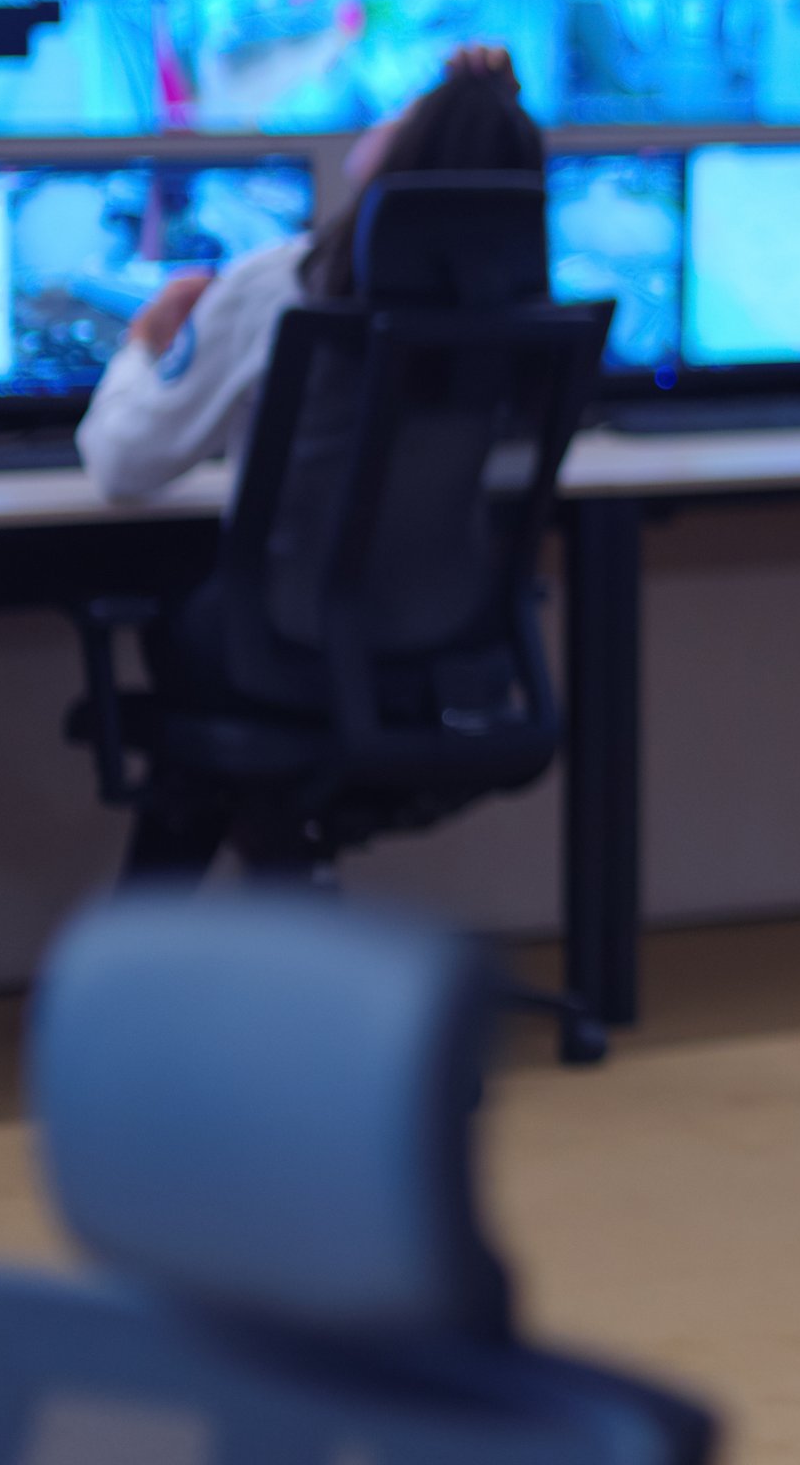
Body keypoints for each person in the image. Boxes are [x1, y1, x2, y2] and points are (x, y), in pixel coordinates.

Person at [77, 48, 546, 875]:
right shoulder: (525, 317)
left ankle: (152, 972)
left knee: (187, 650)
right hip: (445, 650)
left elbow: (122, 464)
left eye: (400, 110)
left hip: (287, 646)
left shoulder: (283, 281)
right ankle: (273, 895)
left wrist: (144, 347)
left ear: (402, 154)